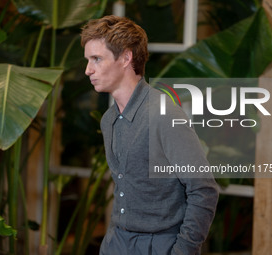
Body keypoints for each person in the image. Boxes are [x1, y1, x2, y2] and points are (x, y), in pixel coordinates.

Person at [81, 15, 219, 255]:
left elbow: (204, 190)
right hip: (116, 242)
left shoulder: (164, 116)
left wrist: (183, 250)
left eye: (97, 59)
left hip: (161, 246)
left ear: (125, 57)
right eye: (88, 60)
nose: (87, 70)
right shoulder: (109, 120)